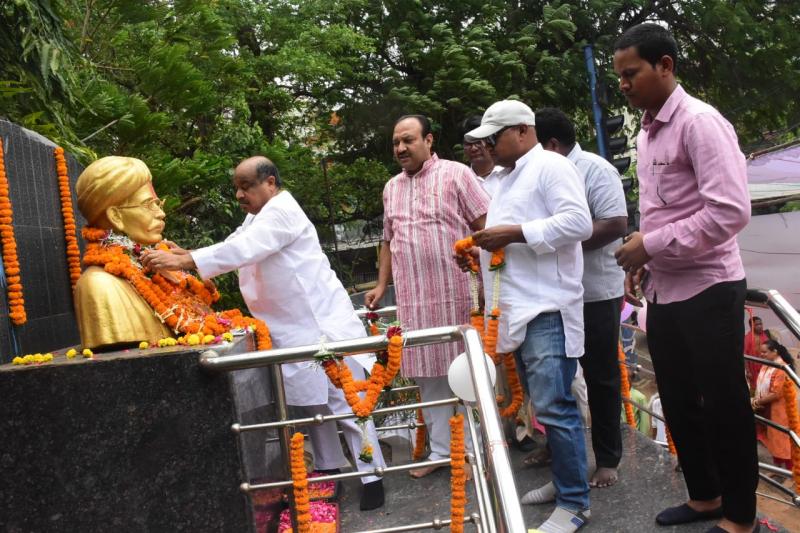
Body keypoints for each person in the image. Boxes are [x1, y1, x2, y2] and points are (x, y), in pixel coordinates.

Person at [141, 156, 386, 510]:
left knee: (346, 406)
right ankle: (329, 472)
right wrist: (188, 254)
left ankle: (372, 478)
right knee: (312, 404)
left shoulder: (282, 211)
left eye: (246, 186)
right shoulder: (257, 215)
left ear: (269, 183)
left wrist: (186, 261)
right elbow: (236, 240)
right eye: (237, 187)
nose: (240, 194)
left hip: (322, 325)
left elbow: (244, 249)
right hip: (294, 329)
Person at [612, 24, 758, 533]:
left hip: (710, 288)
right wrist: (643, 261)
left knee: (723, 404)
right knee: (676, 398)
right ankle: (705, 497)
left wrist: (649, 244)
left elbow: (728, 213)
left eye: (631, 74)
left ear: (666, 66)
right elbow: (662, 212)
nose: (624, 85)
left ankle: (742, 517)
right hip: (665, 289)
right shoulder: (647, 130)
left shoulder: (700, 123)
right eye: (619, 77)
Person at [463, 100, 593, 532]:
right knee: (542, 405)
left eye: (493, 137)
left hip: (547, 307)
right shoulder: (502, 178)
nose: (488, 146)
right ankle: (564, 484)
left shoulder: (551, 168)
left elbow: (579, 223)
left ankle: (575, 503)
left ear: (522, 131)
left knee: (556, 406)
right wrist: (481, 252)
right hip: (516, 307)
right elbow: (506, 240)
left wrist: (513, 233)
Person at [364, 115, 490, 478]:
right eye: (395, 142)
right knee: (428, 380)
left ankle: (472, 454)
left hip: (457, 295)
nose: (400, 148)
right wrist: (380, 284)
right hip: (414, 299)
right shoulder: (391, 187)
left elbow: (486, 225)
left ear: (429, 140)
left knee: (462, 375)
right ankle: (439, 454)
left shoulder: (457, 174)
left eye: (408, 140)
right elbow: (388, 240)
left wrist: (487, 280)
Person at [536, 107, 628, 488]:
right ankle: (557, 446)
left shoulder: (595, 169)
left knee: (601, 376)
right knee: (555, 377)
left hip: (595, 293)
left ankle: (607, 459)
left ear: (551, 144)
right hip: (554, 295)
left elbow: (614, 223)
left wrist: (557, 242)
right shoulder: (540, 175)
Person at [74, 156, 174, 349]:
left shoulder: (153, 268)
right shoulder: (99, 285)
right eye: (148, 204)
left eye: (158, 203)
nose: (161, 213)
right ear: (116, 216)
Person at [753, 339, 795, 471]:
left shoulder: (781, 368)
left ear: (775, 352)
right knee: (773, 440)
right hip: (767, 408)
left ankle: (790, 471)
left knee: (782, 441)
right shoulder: (767, 364)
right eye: (761, 352)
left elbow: (776, 394)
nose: (762, 355)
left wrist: (757, 401)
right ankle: (778, 468)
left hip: (779, 411)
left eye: (764, 352)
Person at [462, 115, 504, 197]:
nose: (473, 148)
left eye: (478, 142)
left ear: (490, 142)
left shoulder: (507, 175)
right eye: (468, 144)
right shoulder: (461, 180)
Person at [745, 316, 772, 389]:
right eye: (757, 325)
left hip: (766, 366)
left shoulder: (766, 335)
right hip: (754, 369)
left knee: (768, 387)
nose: (760, 326)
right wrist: (748, 371)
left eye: (761, 324)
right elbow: (745, 356)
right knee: (757, 389)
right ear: (751, 326)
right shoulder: (748, 338)